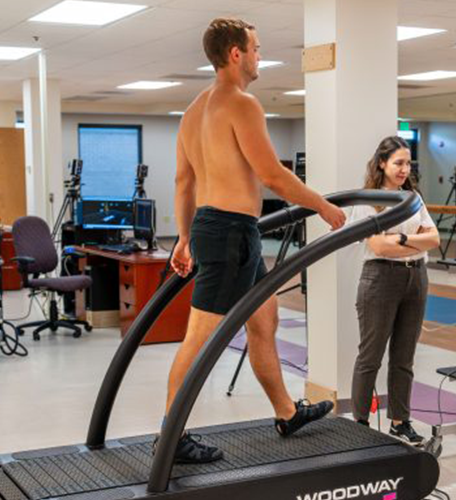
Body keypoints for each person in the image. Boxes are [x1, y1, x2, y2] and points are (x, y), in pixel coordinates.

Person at [163, 17, 346, 464]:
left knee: (264, 320)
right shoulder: (242, 104)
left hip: (216, 228)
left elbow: (183, 184)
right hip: (229, 233)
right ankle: (171, 436)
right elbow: (271, 176)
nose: (261, 56)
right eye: (257, 49)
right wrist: (322, 206)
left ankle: (286, 413)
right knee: (201, 338)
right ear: (235, 54)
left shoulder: (193, 111)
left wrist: (184, 237)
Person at [348, 136, 440, 445]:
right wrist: (412, 241)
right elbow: (378, 246)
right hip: (379, 279)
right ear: (382, 164)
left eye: (408, 163)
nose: (404, 169)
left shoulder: (412, 198)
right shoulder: (367, 200)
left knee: (404, 357)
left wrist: (398, 240)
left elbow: (435, 238)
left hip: (416, 278)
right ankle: (359, 422)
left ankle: (400, 421)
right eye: (398, 163)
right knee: (370, 356)